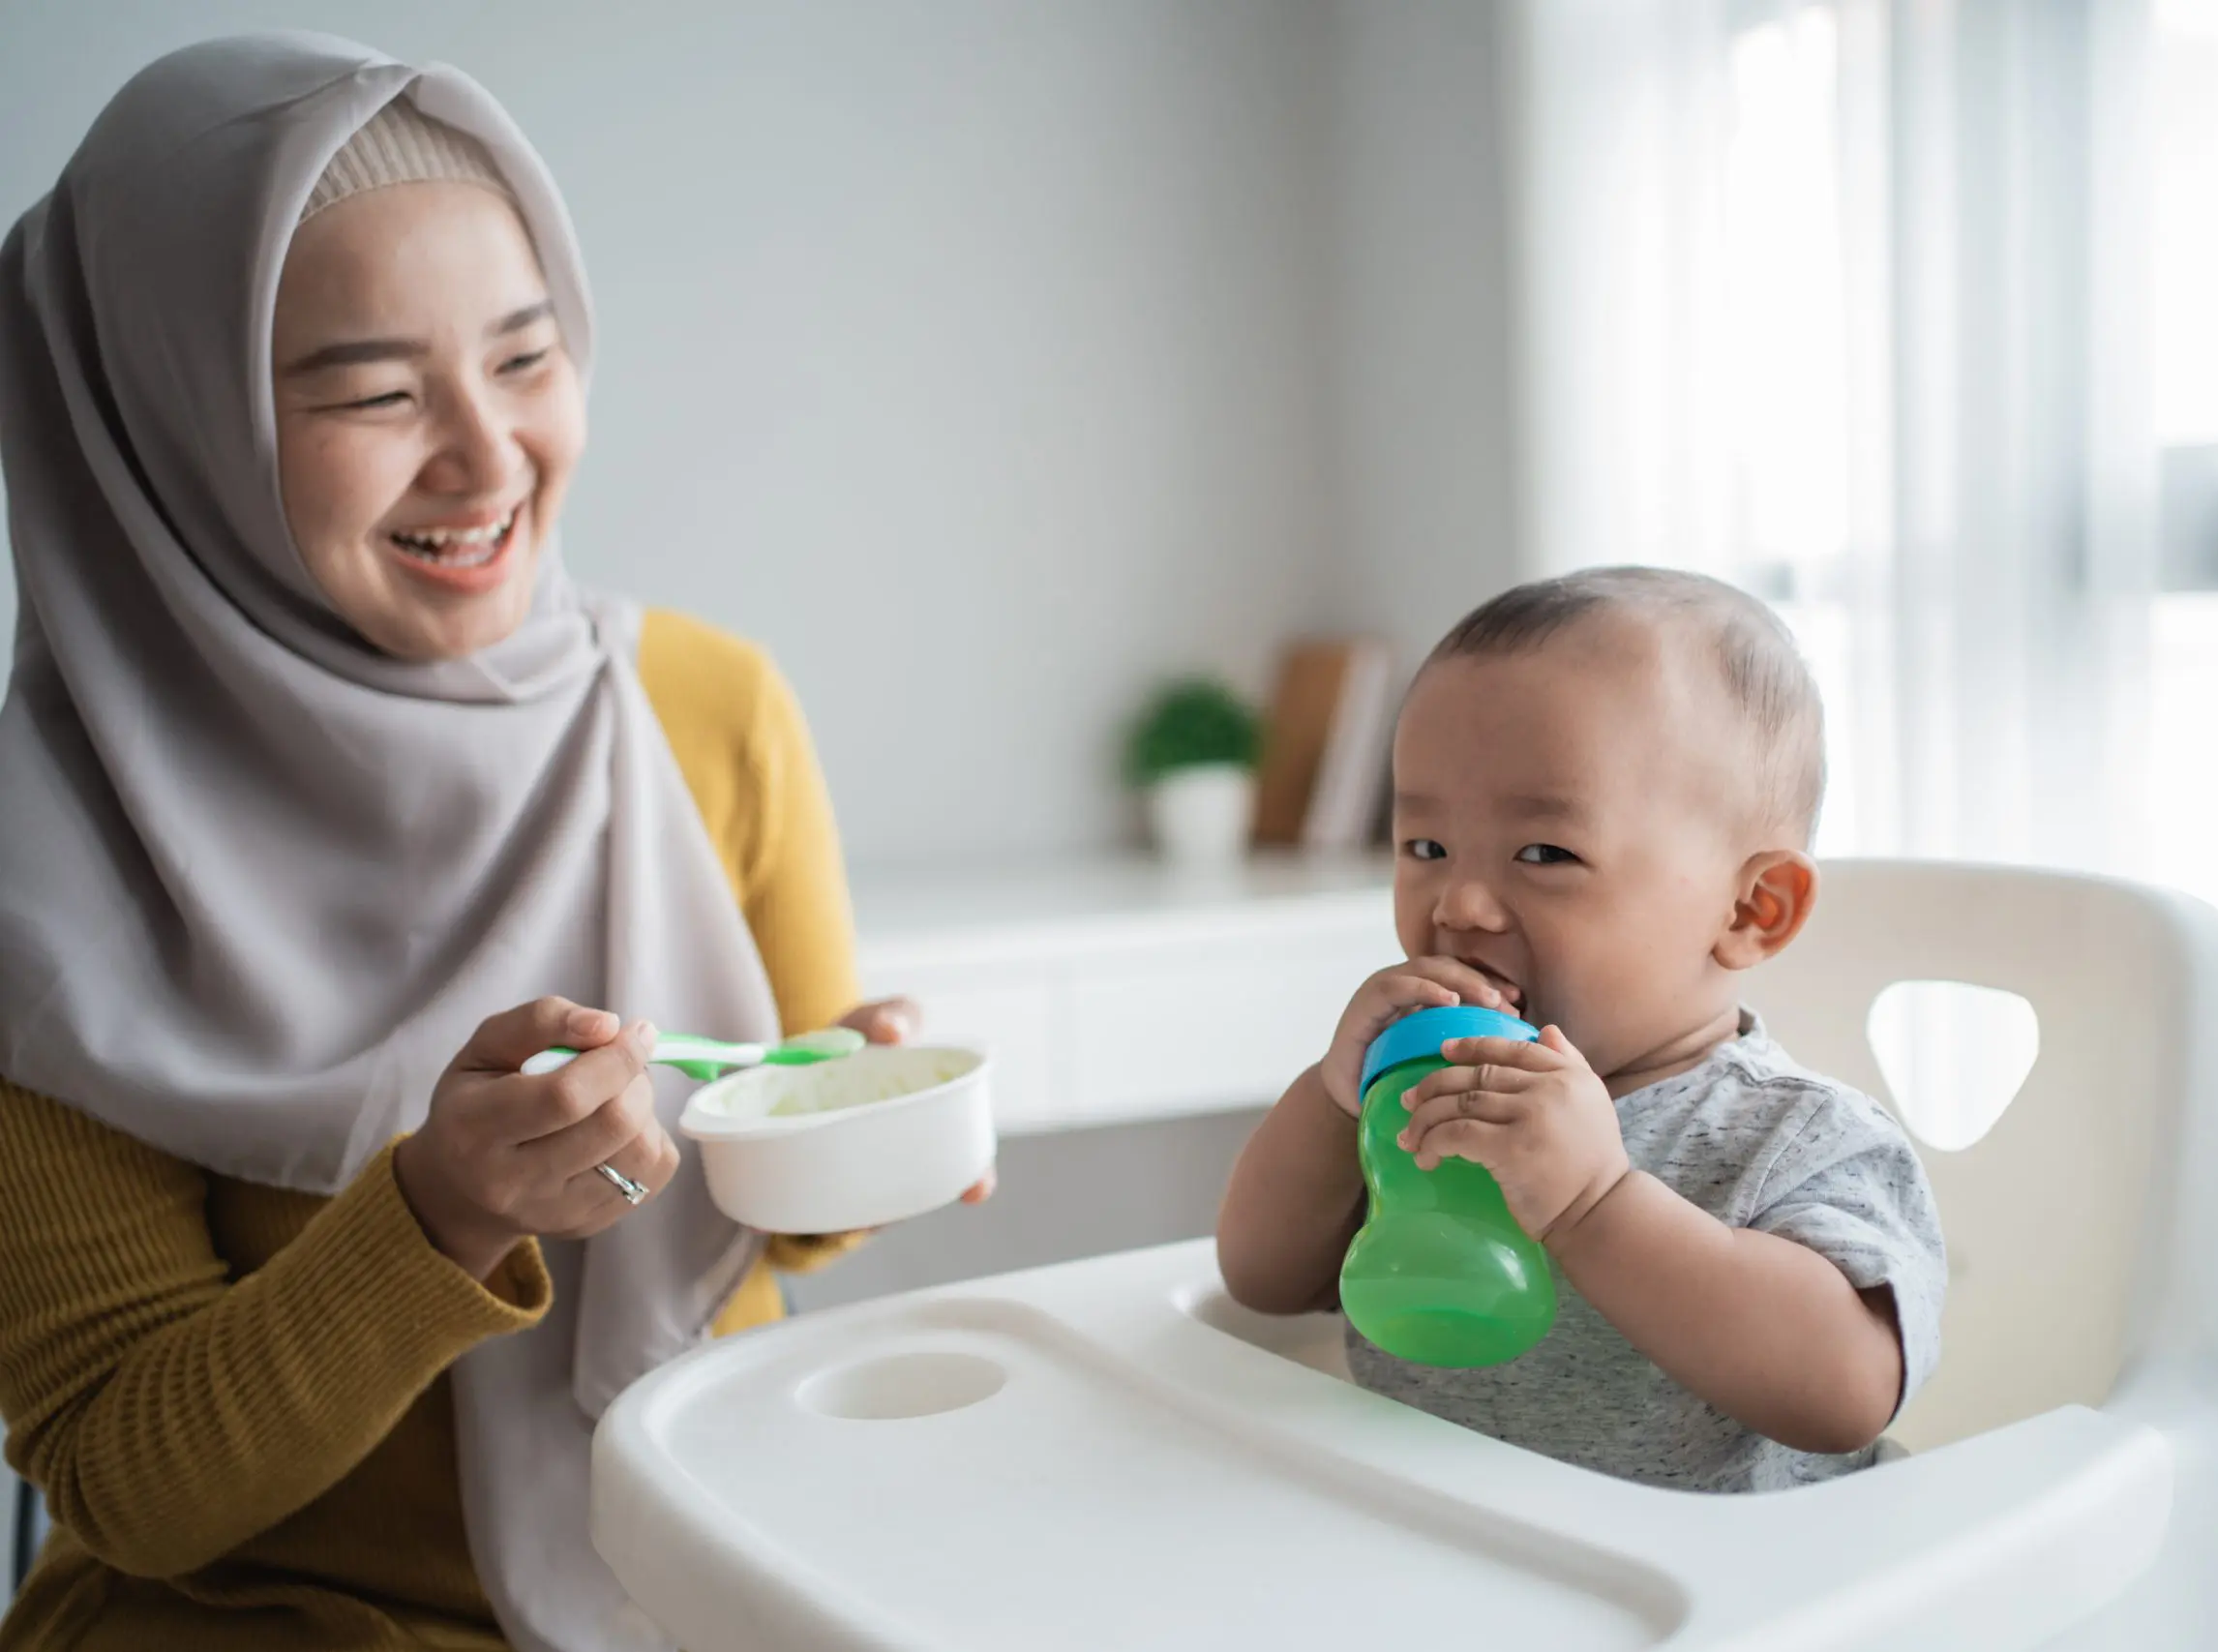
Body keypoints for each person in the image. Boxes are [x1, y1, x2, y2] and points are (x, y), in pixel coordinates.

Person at [0, 34, 985, 1652]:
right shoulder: (43, 866)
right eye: (376, 393)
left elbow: (769, 1214)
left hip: (703, 1580)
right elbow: (134, 1481)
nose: (487, 456)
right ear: (170, 427)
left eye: (526, 360)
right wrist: (440, 1214)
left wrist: (847, 1120)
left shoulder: (704, 705)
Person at [1216, 567, 1946, 1493]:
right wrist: (1332, 1099)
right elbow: (1263, 1279)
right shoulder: (1424, 1097)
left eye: (1545, 853)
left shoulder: (1797, 1137)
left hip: (1717, 1604)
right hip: (1440, 1551)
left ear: (1751, 907)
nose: (1462, 902)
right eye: (1426, 848)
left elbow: (1845, 1390)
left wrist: (1595, 1205)